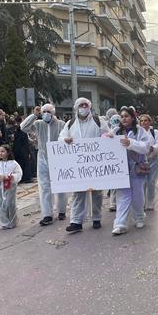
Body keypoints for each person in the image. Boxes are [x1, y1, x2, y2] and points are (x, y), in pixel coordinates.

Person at [59, 98, 109, 233]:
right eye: (81, 105)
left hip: (95, 162)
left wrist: (105, 138)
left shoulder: (98, 121)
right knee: (78, 192)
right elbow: (61, 137)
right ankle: (76, 221)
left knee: (97, 192)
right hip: (78, 165)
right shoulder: (70, 124)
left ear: (90, 106)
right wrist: (65, 140)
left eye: (86, 104)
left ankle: (96, 218)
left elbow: (107, 134)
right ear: (76, 107)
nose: (84, 107)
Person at [20, 103, 68, 226]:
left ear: (53, 113)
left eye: (48, 111)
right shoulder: (38, 124)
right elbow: (23, 127)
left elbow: (67, 137)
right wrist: (34, 115)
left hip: (58, 158)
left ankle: (62, 210)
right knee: (44, 186)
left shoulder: (61, 124)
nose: (46, 114)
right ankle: (47, 214)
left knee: (60, 185)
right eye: (44, 111)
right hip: (42, 157)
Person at [109, 107, 150, 235]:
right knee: (123, 196)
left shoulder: (140, 131)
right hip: (120, 169)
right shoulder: (116, 131)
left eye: (126, 116)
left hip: (136, 168)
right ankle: (120, 224)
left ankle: (139, 217)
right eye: (122, 116)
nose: (124, 119)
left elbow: (146, 147)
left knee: (137, 195)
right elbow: (106, 143)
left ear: (132, 117)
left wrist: (131, 143)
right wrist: (106, 137)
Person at [0, 145, 22, 230]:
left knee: (10, 204)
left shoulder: (14, 163)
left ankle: (12, 221)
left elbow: (19, 173)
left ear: (8, 152)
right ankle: (4, 222)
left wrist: (12, 177)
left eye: (3, 151)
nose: (1, 153)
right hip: (0, 187)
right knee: (1, 204)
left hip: (11, 187)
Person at [139, 114, 158, 211]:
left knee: (151, 182)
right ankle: (142, 202)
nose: (143, 122)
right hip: (141, 161)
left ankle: (150, 202)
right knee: (143, 182)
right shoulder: (138, 132)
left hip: (153, 160)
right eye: (141, 121)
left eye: (145, 120)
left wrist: (153, 148)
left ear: (149, 122)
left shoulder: (154, 132)